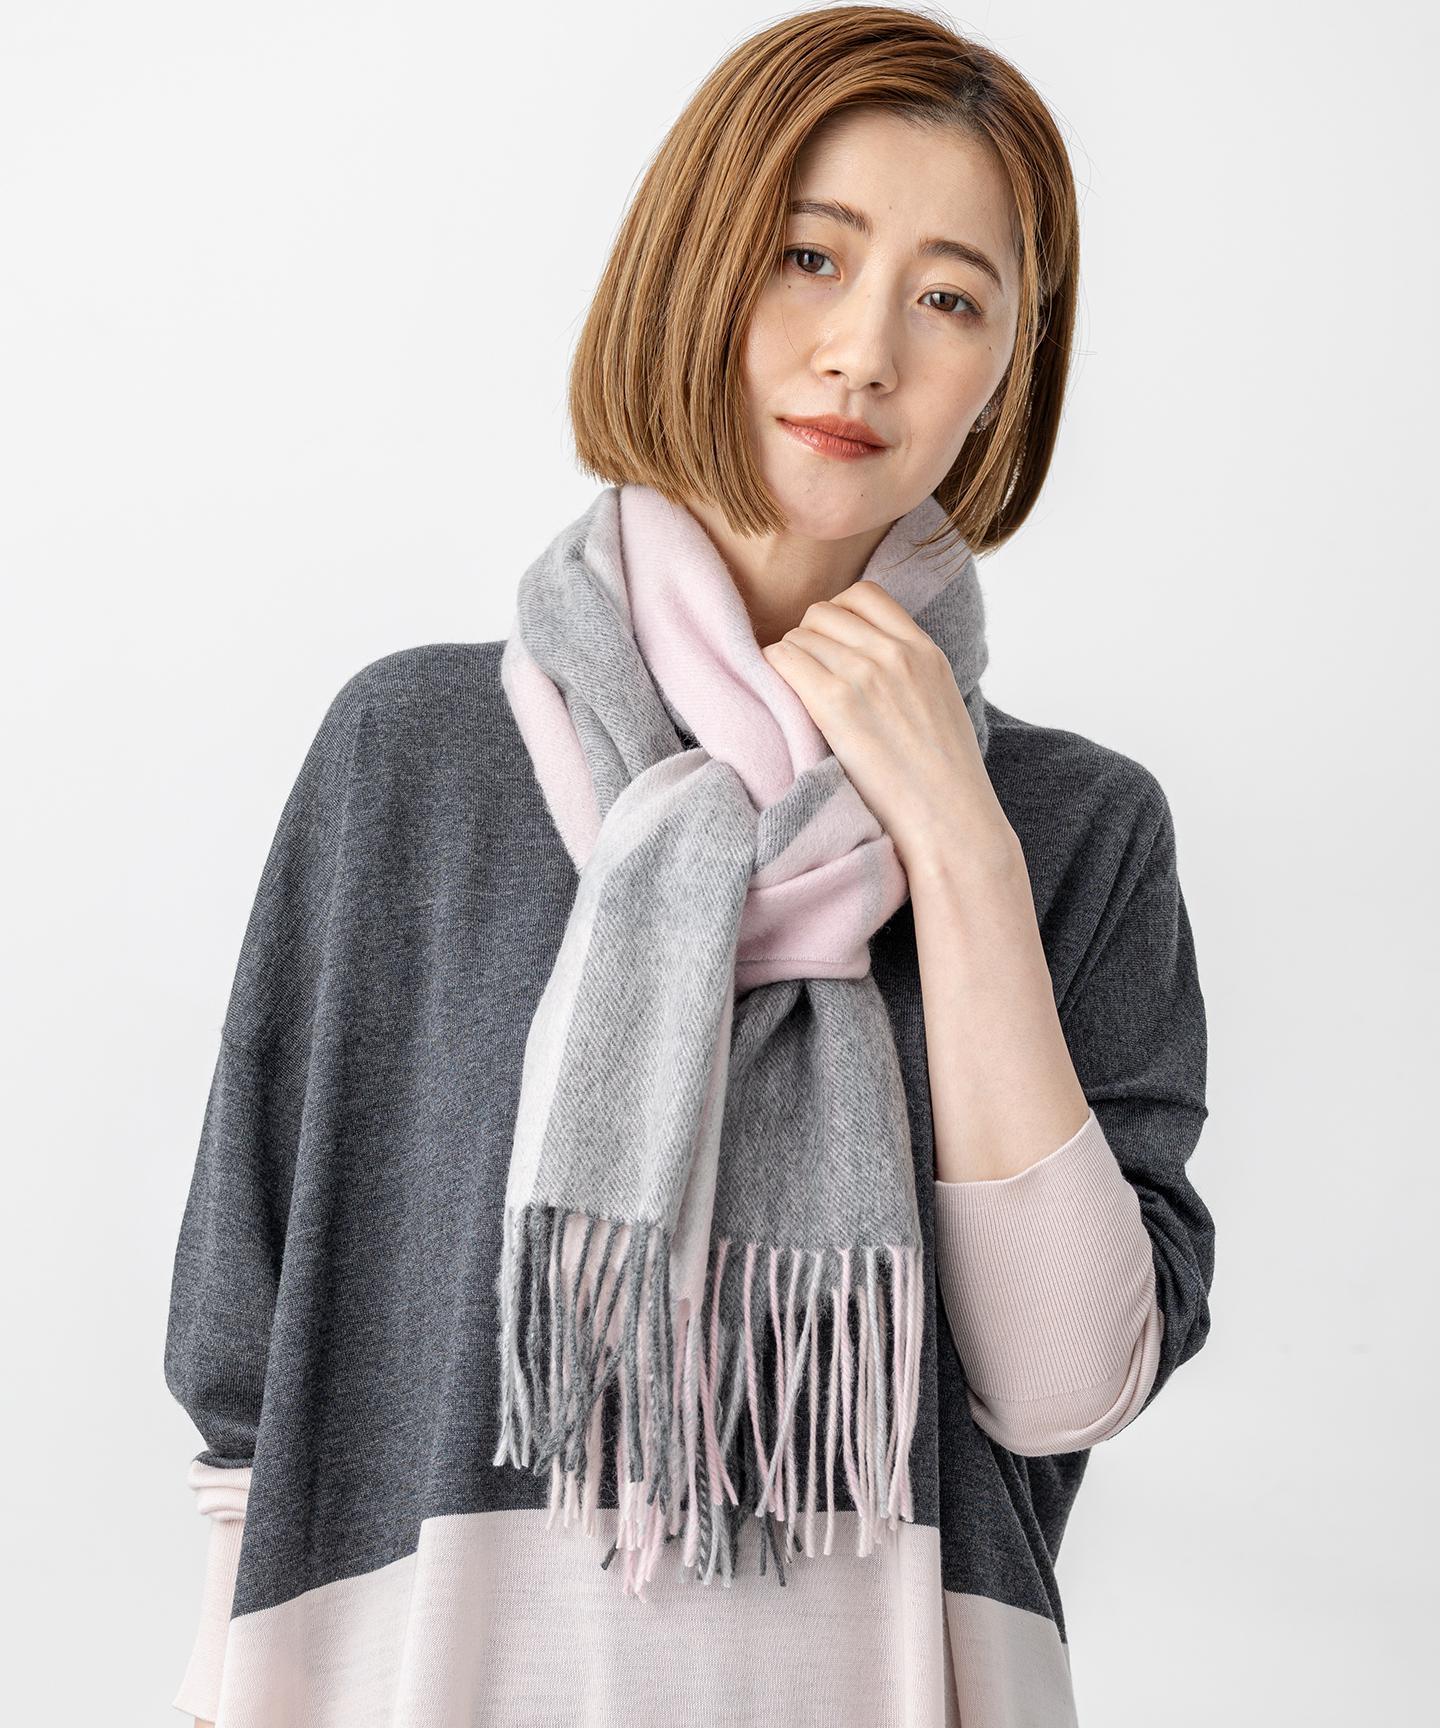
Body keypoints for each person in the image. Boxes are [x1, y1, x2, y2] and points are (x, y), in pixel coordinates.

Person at [165, 8, 1214, 1725]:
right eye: (811, 256)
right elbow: (247, 1346)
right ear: (693, 267)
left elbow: (1064, 1382)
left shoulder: (1076, 829)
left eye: (951, 300)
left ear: (1005, 378)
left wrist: (959, 841)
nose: (863, 353)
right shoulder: (412, 758)